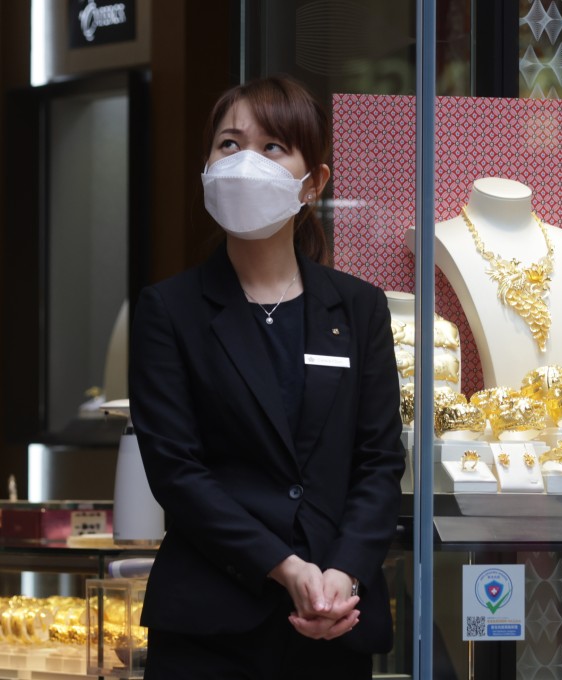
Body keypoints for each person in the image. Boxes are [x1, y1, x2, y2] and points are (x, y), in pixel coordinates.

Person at [128, 75, 405, 678]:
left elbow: (380, 461)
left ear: (314, 184)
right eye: (229, 144)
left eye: (273, 146)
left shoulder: (359, 308)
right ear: (205, 165)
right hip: (209, 627)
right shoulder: (169, 311)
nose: (245, 162)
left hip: (336, 621)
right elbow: (177, 473)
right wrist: (286, 567)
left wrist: (340, 573)